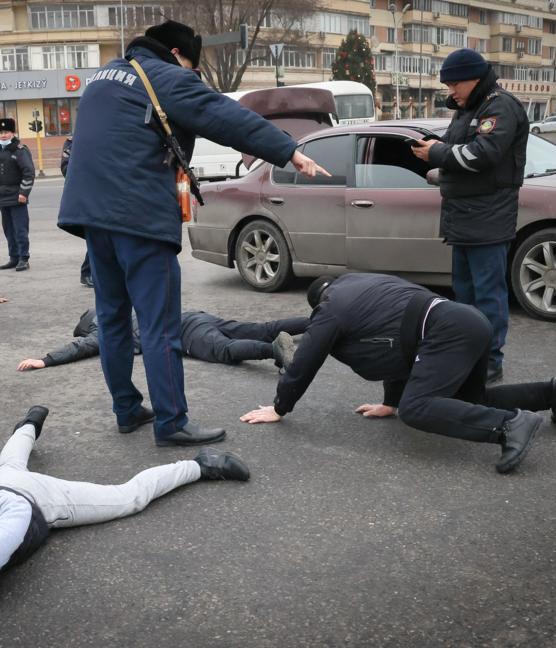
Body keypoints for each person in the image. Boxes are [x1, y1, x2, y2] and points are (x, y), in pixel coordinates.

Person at [57, 20, 328, 447]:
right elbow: (225, 116)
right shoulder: (166, 76)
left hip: (92, 219)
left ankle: (126, 411)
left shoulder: (102, 79)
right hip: (139, 220)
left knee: (112, 321)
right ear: (179, 55)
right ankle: (171, 422)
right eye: (192, 68)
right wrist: (289, 150)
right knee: (161, 324)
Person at [0, 406, 249, 646]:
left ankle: (199, 465)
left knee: (127, 498)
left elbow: (18, 513)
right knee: (9, 466)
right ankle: (29, 423)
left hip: (31, 500)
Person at [240, 274, 556, 474]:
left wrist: (280, 406)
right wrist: (390, 402)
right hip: (468, 321)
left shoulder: (330, 309)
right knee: (470, 401)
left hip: (444, 331)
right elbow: (396, 341)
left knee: (417, 409)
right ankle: (553, 393)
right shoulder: (366, 286)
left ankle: (509, 426)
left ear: (318, 302)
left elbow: (306, 359)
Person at [410, 48, 528, 385]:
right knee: (463, 297)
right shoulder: (467, 109)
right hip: (462, 218)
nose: (451, 92)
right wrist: (431, 148)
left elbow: (484, 154)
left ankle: (490, 362)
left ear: (473, 78)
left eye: (453, 85)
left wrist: (438, 153)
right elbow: (452, 146)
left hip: (488, 219)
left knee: (488, 296)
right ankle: (467, 355)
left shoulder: (500, 106)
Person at [17, 308, 306, 380]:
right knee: (260, 328)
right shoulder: (120, 308)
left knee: (225, 352)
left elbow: (82, 347)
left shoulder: (105, 328)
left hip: (184, 331)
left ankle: (275, 351)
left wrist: (46, 360)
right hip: (192, 314)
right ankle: (317, 321)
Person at [0, 118, 35, 272]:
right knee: (8, 230)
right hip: (1, 198)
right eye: (1, 132)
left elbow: (28, 173)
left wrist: (24, 193)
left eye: (6, 132)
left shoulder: (20, 150)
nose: (3, 135)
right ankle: (14, 257)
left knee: (20, 230)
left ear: (13, 133)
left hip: (17, 197)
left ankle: (24, 258)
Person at [60, 135, 93, 288]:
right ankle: (87, 273)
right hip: (86, 193)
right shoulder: (73, 142)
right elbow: (66, 168)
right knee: (96, 236)